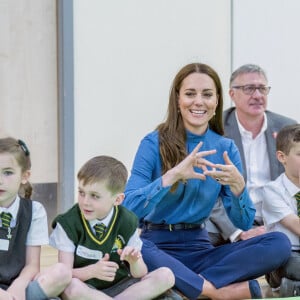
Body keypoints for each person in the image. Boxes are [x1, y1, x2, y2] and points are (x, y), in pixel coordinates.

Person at [122, 62, 292, 300]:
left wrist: (239, 190)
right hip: (156, 245)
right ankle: (214, 291)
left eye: (207, 94)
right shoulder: (153, 143)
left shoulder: (225, 147)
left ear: (217, 101)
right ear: (177, 100)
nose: (198, 101)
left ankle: (180, 285)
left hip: (202, 249)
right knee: (136, 248)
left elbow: (242, 223)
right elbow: (127, 210)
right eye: (190, 94)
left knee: (279, 243)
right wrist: (172, 176)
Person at [49, 155, 177, 300]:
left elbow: (140, 273)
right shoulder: (68, 223)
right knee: (71, 287)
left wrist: (134, 261)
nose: (85, 201)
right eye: (81, 192)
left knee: (166, 275)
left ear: (117, 199)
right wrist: (92, 271)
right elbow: (63, 275)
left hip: (123, 289)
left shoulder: (127, 221)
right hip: (86, 289)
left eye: (94, 196)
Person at [206, 64, 297, 246]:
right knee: (204, 232)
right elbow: (209, 192)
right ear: (232, 94)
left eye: (262, 88)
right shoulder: (216, 129)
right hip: (231, 219)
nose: (257, 95)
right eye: (249, 89)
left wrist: (275, 223)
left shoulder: (286, 128)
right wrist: (238, 232)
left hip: (278, 216)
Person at [0, 137, 71, 300]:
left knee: (62, 273)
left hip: (19, 287)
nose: (0, 180)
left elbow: (32, 265)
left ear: (24, 176)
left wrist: (18, 287)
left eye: (8, 172)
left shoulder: (35, 211)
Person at [261, 124, 300, 297]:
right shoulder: (272, 191)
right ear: (282, 157)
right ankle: (285, 283)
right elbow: (296, 225)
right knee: (292, 263)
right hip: (287, 254)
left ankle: (293, 287)